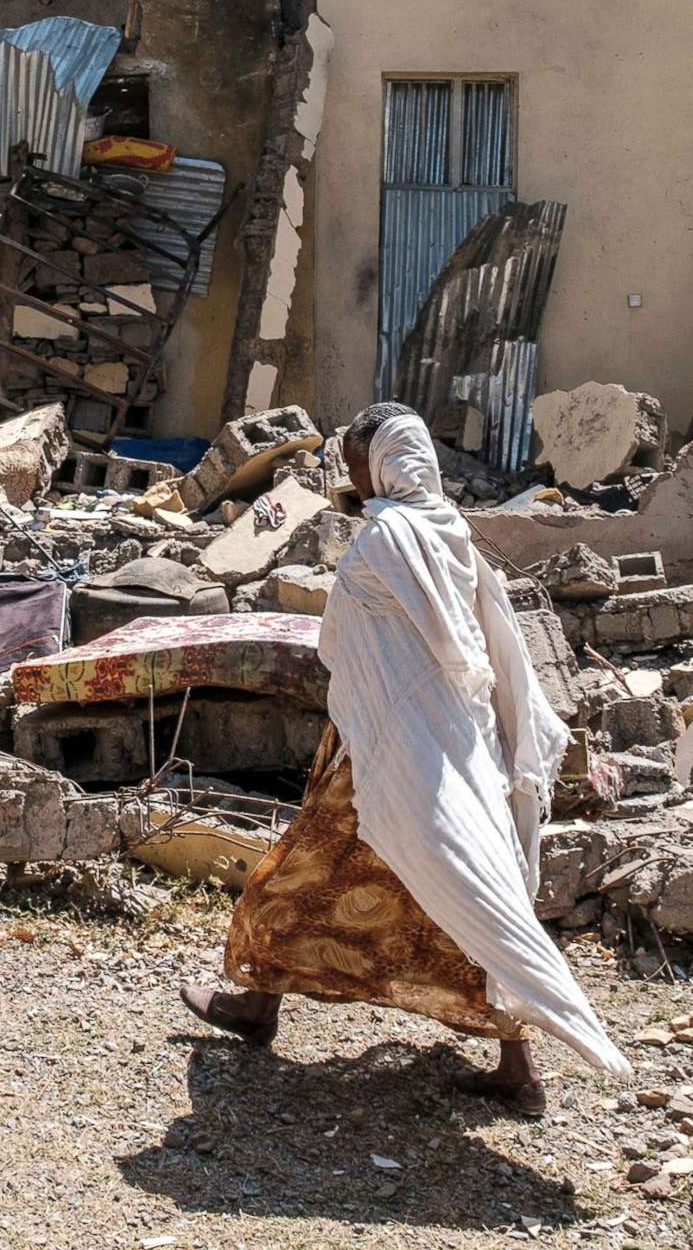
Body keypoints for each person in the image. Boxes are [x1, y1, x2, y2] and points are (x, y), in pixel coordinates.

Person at [179, 402, 631, 1115]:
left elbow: (346, 635)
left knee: (301, 879)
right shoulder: (450, 527)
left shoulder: (387, 535)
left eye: (359, 466)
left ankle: (257, 1006)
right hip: (448, 743)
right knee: (465, 895)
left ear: (383, 465)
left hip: (387, 752)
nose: (354, 480)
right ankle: (515, 1065)